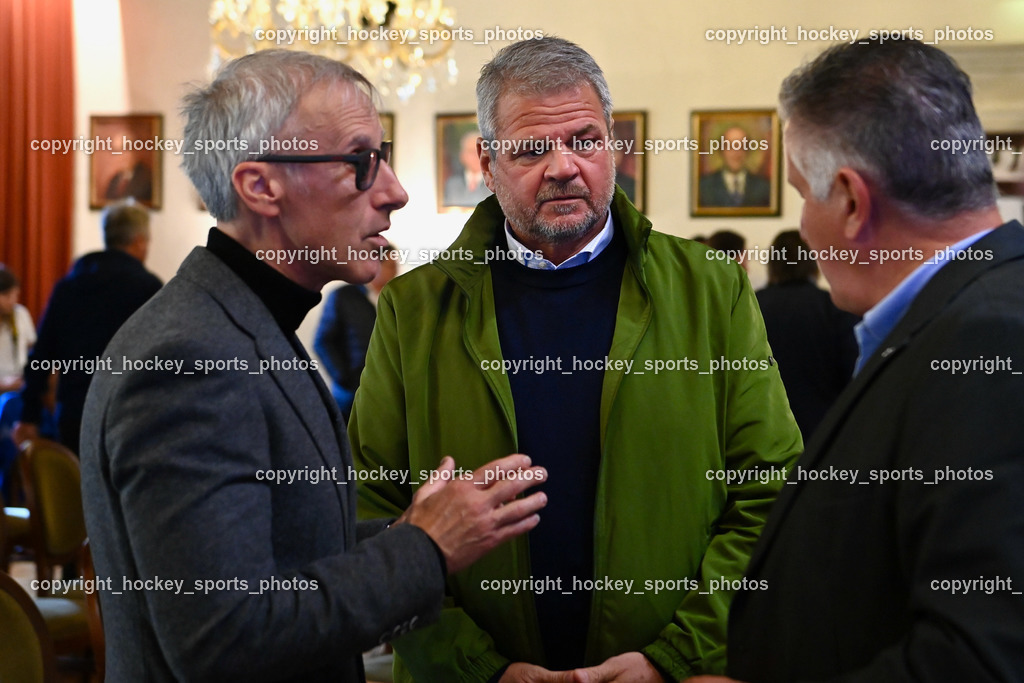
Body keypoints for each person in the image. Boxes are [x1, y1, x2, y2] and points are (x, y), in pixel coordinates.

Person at [80, 50, 547, 683]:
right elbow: (224, 638)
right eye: (360, 162)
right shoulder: (191, 357)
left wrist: (418, 526)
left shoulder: (243, 321)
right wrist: (426, 547)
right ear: (261, 186)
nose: (395, 191)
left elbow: (285, 546)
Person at [350, 37, 802, 683]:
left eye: (585, 140)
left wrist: (671, 658)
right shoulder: (415, 310)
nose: (563, 165)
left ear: (614, 144)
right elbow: (373, 507)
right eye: (532, 148)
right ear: (486, 160)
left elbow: (770, 489)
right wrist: (479, 668)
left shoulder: (710, 289)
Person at [687, 37, 1024, 683]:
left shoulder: (991, 337)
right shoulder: (961, 313)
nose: (803, 227)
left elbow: (985, 656)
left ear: (848, 201)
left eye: (799, 195)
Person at [14, 201, 162, 452]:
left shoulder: (68, 287)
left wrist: (30, 415)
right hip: (130, 417)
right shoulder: (148, 289)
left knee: (76, 489)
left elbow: (41, 356)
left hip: (75, 415)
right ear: (139, 241)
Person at [755, 230, 858, 438]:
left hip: (761, 434)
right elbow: (854, 375)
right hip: (822, 433)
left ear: (772, 264)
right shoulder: (835, 307)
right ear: (812, 262)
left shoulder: (750, 306)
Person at [314, 242, 399, 418]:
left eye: (396, 266)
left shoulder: (396, 300)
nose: (395, 271)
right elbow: (323, 341)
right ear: (375, 264)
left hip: (387, 393)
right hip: (350, 394)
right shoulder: (344, 296)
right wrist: (345, 379)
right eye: (391, 266)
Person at [698, 126, 771, 208]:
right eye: (730, 146)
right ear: (721, 150)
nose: (736, 152)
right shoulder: (704, 186)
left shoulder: (764, 187)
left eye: (741, 146)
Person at [0, 266, 34, 394]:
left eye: (15, 295)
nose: (12, 301)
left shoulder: (20, 313)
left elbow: (32, 346)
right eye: (6, 295)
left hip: (20, 380)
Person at [444, 130, 493, 207]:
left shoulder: (495, 184)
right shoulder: (452, 184)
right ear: (462, 155)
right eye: (471, 151)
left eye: (480, 151)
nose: (476, 156)